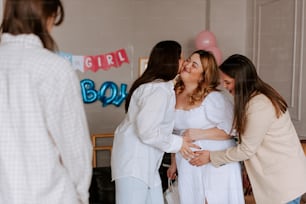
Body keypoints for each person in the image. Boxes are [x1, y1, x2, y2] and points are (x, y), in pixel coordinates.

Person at [0, 0, 92, 204]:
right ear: (47, 16)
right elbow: (76, 150)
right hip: (48, 195)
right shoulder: (54, 68)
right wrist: (81, 196)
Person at [189, 54, 306, 204]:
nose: (225, 86)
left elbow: (246, 149)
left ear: (241, 80)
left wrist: (210, 156)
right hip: (281, 179)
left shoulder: (259, 105)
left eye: (227, 82)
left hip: (283, 181)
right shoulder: (254, 100)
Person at [111, 40, 198, 204]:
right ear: (170, 61)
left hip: (146, 164)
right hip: (135, 164)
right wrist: (179, 143)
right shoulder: (157, 90)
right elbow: (147, 131)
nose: (184, 62)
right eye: (181, 58)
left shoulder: (161, 88)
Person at [167, 50, 245, 204]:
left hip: (215, 163)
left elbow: (231, 131)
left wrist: (200, 133)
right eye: (188, 60)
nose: (187, 65)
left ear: (203, 76)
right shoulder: (172, 94)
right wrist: (173, 163)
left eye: (194, 65)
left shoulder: (213, 98)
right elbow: (175, 132)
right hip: (188, 165)